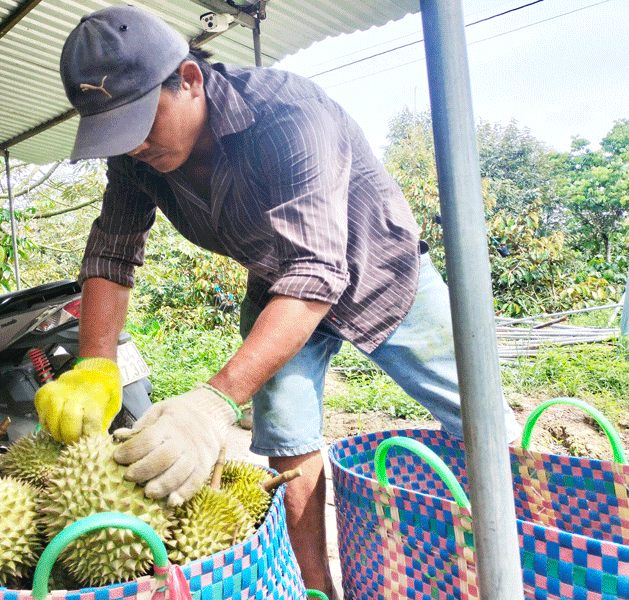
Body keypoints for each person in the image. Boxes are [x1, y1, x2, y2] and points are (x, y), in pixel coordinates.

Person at [33, 6, 521, 598]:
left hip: (386, 273)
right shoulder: (135, 158)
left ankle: (539, 545)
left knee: (482, 418)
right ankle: (317, 590)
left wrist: (211, 404)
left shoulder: (289, 115)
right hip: (277, 289)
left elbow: (319, 269)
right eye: (114, 132)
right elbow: (112, 251)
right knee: (288, 449)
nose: (131, 145)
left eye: (139, 121)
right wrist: (96, 367)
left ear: (188, 79)